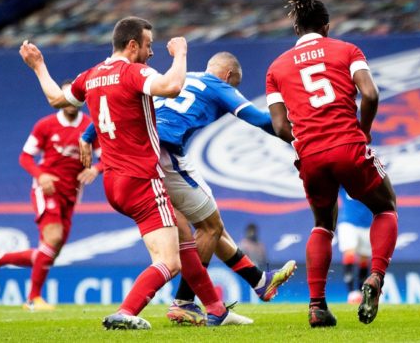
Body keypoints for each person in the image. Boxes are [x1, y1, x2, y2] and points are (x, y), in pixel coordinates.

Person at [18, 16, 250, 329]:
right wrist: (180, 53)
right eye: (148, 45)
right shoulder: (133, 72)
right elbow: (171, 86)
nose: (151, 52)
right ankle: (127, 312)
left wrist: (38, 67)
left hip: (113, 183)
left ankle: (215, 309)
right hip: (142, 178)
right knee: (169, 261)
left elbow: (55, 98)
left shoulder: (91, 75)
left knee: (183, 237)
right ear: (132, 46)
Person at [79, 51, 296, 324]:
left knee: (205, 228)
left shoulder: (181, 78)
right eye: (234, 84)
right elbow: (262, 120)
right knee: (210, 227)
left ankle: (255, 283)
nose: (232, 89)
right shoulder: (218, 85)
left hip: (140, 152)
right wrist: (301, 134)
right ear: (228, 76)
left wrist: (87, 136)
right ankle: (184, 301)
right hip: (166, 155)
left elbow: (118, 106)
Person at [266, 0, 398, 327]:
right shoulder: (346, 50)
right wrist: (362, 133)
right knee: (385, 207)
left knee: (323, 225)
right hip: (348, 145)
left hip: (309, 155)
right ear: (326, 25)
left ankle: (317, 306)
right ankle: (375, 278)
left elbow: (280, 127)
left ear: (296, 30)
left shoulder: (276, 67)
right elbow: (370, 94)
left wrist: (305, 141)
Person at [0, 80, 102, 311]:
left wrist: (95, 169)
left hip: (70, 194)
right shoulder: (45, 125)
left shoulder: (89, 127)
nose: (71, 100)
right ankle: (32, 299)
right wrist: (41, 175)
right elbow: (25, 157)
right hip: (46, 189)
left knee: (49, 254)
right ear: (61, 99)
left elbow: (106, 155)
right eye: (66, 94)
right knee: (52, 239)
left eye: (75, 95)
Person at [337, 187, 372, 305]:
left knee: (364, 258)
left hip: (368, 224)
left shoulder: (372, 177)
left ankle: (360, 292)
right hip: (348, 222)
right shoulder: (344, 179)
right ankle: (351, 292)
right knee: (349, 253)